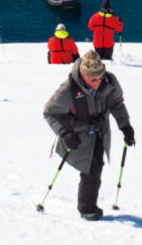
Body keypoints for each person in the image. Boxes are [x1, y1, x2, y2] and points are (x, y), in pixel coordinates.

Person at [43, 50, 134, 220]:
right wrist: (64, 133)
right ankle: (86, 209)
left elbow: (117, 104)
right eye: (93, 79)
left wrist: (125, 126)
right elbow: (49, 112)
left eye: (100, 78)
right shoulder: (68, 90)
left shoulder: (110, 81)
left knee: (96, 167)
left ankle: (88, 206)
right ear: (83, 75)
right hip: (77, 136)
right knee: (90, 170)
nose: (97, 82)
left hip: (100, 132)